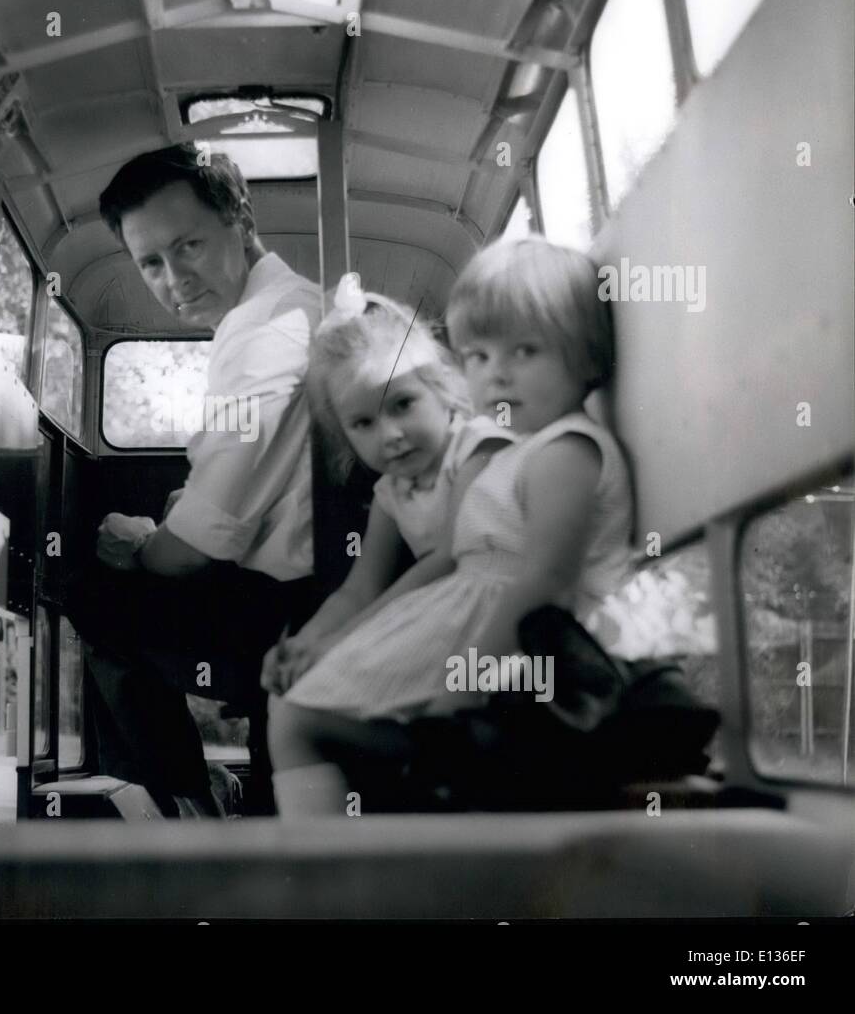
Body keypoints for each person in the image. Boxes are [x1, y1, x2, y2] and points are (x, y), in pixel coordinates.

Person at [267, 237, 634, 817]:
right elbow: (376, 584)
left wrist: (463, 684)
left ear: (587, 356)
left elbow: (544, 584)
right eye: (479, 357)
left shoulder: (566, 452)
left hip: (539, 659)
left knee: (304, 721)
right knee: (300, 715)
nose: (497, 376)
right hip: (488, 633)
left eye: (525, 351)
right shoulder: (524, 451)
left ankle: (327, 871)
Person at [67, 143, 323, 818]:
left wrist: (141, 543)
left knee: (96, 601)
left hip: (292, 604)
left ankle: (186, 798)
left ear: (240, 217)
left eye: (189, 245)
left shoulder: (265, 333)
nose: (173, 276)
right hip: (302, 586)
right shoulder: (288, 310)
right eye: (151, 261)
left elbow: (193, 552)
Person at [259, 273, 513, 697]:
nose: (390, 434)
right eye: (363, 423)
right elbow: (359, 590)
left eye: (402, 404)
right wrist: (305, 642)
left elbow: (448, 559)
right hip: (456, 622)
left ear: (443, 389)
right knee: (304, 697)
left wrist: (342, 642)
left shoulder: (477, 449)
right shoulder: (392, 493)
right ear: (345, 436)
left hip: (507, 619)